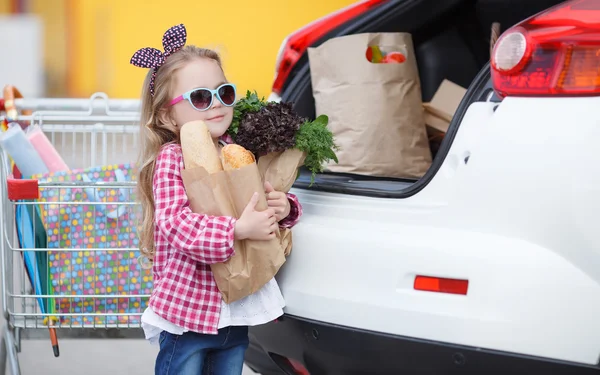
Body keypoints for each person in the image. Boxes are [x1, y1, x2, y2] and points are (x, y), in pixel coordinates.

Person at [131, 24, 302, 375]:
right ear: (167, 114)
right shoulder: (172, 159)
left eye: (223, 92)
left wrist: (283, 208)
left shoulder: (234, 150)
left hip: (234, 303)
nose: (216, 105)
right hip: (189, 312)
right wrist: (237, 229)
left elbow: (256, 198)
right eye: (199, 97)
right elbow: (175, 224)